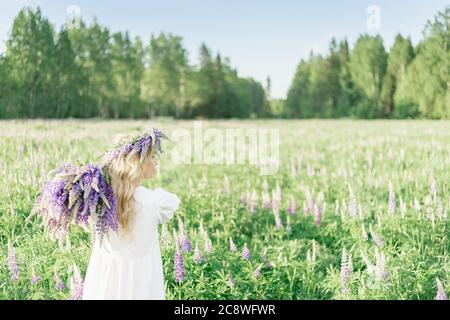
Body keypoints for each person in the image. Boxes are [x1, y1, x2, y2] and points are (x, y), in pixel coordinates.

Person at [81, 128, 180, 299]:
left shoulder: (97, 202)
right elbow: (174, 202)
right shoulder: (156, 201)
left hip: (104, 285)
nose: (155, 163)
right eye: (152, 157)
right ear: (137, 163)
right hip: (142, 286)